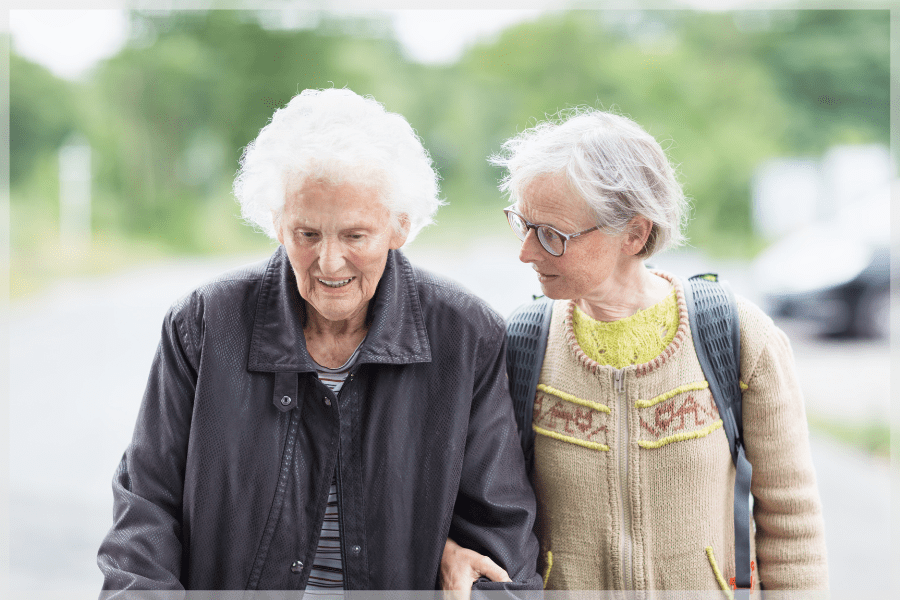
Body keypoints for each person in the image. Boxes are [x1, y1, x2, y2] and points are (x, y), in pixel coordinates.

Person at [97, 88, 541, 594]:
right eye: (307, 234)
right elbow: (144, 514)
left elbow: (501, 548)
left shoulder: (466, 334)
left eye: (355, 236)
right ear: (277, 223)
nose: (329, 263)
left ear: (400, 226)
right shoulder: (203, 324)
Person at [441, 108, 829, 592]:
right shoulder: (520, 345)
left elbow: (791, 522)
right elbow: (472, 507)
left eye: (552, 235)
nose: (526, 252)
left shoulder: (739, 337)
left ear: (635, 233)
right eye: (523, 224)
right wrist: (449, 549)